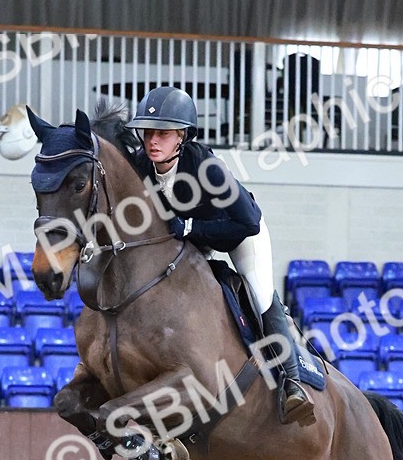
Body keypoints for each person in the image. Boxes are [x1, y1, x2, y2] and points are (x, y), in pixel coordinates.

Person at [126, 86, 315, 427]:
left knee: (259, 295)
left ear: (182, 136)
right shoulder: (141, 164)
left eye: (163, 134)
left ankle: (292, 383)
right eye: (148, 133)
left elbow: (248, 222)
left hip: (238, 233)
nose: (153, 141)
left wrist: (190, 228)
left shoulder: (207, 168)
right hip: (191, 241)